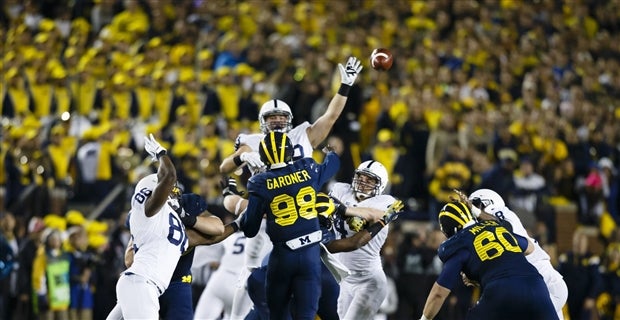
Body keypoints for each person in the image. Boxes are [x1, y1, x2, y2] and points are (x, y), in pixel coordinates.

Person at [219, 55, 363, 318]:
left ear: (290, 119)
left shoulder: (302, 135)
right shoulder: (252, 141)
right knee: (252, 277)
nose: (276, 122)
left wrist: (345, 87)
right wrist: (242, 156)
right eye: (271, 118)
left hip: (301, 221)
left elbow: (330, 117)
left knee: (310, 288)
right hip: (266, 222)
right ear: (263, 121)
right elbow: (224, 167)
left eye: (281, 117)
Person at [243, 192, 404, 320]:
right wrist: (382, 222)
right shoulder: (322, 236)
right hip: (303, 279)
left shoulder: (292, 219)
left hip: (264, 277)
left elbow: (265, 207)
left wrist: (238, 196)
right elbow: (354, 243)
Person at [239, 131, 340, 320]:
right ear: (291, 151)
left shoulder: (259, 182)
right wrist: (331, 152)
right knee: (306, 315)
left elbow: (250, 229)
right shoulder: (308, 167)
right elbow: (333, 164)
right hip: (310, 255)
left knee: (277, 314)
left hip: (283, 256)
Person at [418, 200, 559, 320]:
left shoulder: (459, 244)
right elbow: (529, 247)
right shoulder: (497, 228)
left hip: (501, 290)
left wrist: (424, 318)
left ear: (450, 231)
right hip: (537, 286)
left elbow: (439, 292)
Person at [108, 134, 197, 319]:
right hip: (143, 283)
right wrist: (161, 153)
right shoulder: (148, 210)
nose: (172, 193)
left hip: (140, 284)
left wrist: (237, 225)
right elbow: (169, 176)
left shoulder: (168, 217)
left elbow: (212, 234)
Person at [106, 192, 225, 320]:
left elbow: (217, 229)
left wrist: (189, 219)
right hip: (147, 281)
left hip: (174, 281)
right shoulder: (144, 212)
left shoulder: (186, 205)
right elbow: (129, 260)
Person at [465, 188, 568, 319]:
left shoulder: (503, 214)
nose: (472, 213)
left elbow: (502, 227)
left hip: (545, 286)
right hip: (535, 288)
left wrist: (476, 211)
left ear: (487, 203)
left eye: (475, 206)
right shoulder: (490, 235)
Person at [328, 160, 399, 320]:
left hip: (369, 281)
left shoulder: (386, 201)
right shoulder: (341, 189)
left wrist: (342, 209)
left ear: (380, 185)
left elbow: (378, 215)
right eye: (361, 177)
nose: (363, 182)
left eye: (370, 180)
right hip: (345, 279)